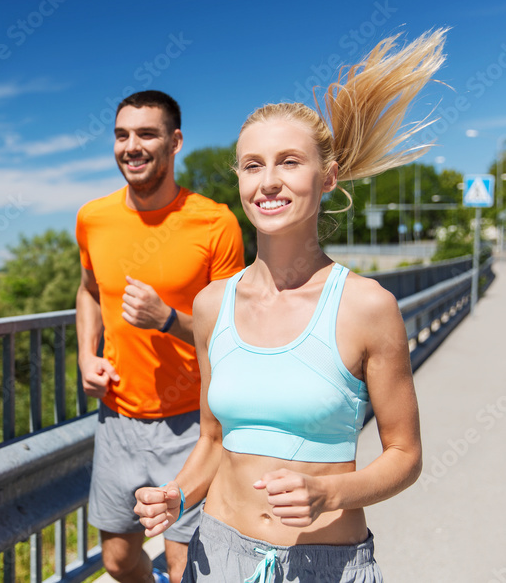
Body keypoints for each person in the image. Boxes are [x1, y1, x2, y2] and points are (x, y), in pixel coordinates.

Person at [134, 30, 447, 582]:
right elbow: (212, 440)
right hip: (216, 556)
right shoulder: (211, 305)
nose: (269, 181)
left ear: (326, 178)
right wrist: (177, 496)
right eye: (252, 165)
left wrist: (331, 491)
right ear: (239, 179)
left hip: (325, 564)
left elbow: (404, 455)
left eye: (289, 162)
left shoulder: (367, 306)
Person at [76, 90, 245, 583]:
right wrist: (86, 355)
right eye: (122, 135)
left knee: (182, 566)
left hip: (194, 423)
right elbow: (88, 291)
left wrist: (169, 318)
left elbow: (233, 332)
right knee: (118, 562)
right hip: (119, 419)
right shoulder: (94, 217)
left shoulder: (215, 223)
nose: (132, 146)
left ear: (175, 142)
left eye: (147, 134)